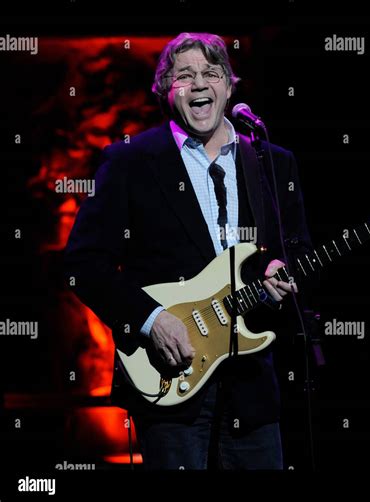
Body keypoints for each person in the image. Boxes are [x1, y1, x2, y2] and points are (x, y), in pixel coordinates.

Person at [64, 32, 313, 470]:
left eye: (211, 73)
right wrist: (150, 320)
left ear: (228, 87)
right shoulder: (130, 162)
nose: (199, 84)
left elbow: (295, 248)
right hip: (170, 381)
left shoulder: (272, 161)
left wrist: (279, 266)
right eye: (185, 75)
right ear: (166, 91)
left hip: (252, 386)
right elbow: (84, 263)